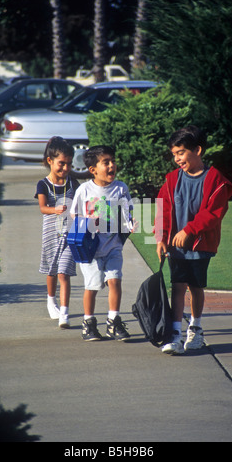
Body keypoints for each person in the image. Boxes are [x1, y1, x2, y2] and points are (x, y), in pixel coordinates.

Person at [155, 126, 232, 354]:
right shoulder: (171, 179)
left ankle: (196, 328)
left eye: (180, 152)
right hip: (175, 248)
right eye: (174, 154)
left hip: (200, 245)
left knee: (195, 287)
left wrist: (189, 230)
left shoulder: (215, 179)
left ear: (197, 150)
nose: (176, 158)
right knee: (177, 286)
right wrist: (160, 237)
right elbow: (163, 209)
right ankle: (175, 335)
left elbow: (213, 213)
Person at [70, 145, 134, 341]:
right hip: (91, 250)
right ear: (93, 170)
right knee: (93, 286)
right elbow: (74, 214)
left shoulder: (121, 188)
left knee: (115, 280)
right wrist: (89, 222)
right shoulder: (84, 189)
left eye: (113, 161)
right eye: (106, 162)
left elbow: (127, 211)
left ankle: (113, 322)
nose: (112, 165)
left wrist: (129, 223)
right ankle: (88, 323)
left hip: (113, 246)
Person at [35, 137, 79, 329]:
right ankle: (51, 300)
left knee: (64, 272)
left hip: (70, 234)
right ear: (49, 161)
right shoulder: (43, 184)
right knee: (51, 270)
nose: (65, 168)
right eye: (61, 163)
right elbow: (43, 208)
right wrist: (56, 209)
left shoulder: (73, 183)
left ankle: (64, 312)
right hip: (51, 233)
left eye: (69, 164)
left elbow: (81, 204)